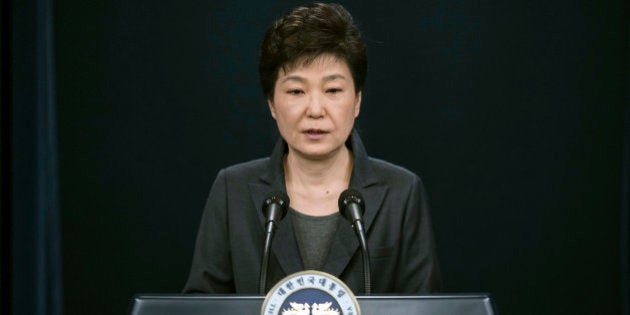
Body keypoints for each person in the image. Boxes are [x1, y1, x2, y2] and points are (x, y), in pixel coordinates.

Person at [183, 2, 440, 294]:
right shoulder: (233, 190)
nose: (315, 110)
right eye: (296, 91)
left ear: (357, 100)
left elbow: (425, 306)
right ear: (271, 104)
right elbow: (202, 305)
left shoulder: (402, 192)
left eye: (332, 90)